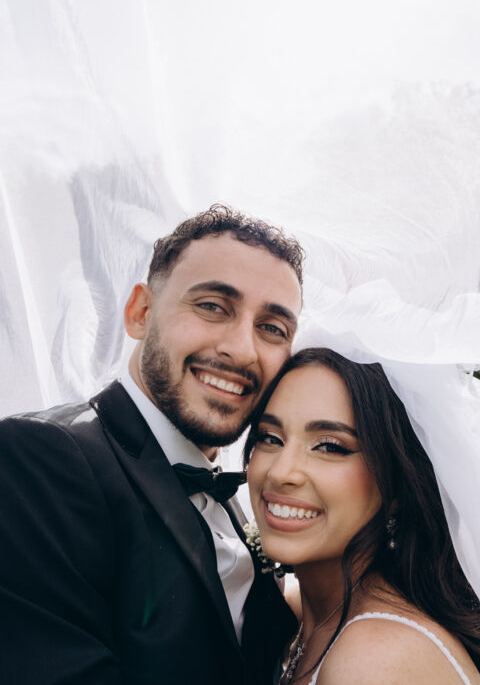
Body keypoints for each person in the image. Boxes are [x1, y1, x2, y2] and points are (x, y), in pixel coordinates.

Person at [0, 205, 303, 685]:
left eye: (272, 328)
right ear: (140, 313)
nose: (242, 349)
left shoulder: (238, 504)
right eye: (212, 306)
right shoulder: (41, 457)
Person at [245, 347, 480, 685]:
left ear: (396, 486)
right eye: (270, 438)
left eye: (330, 446)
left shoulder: (376, 660)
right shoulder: (309, 613)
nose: (281, 472)